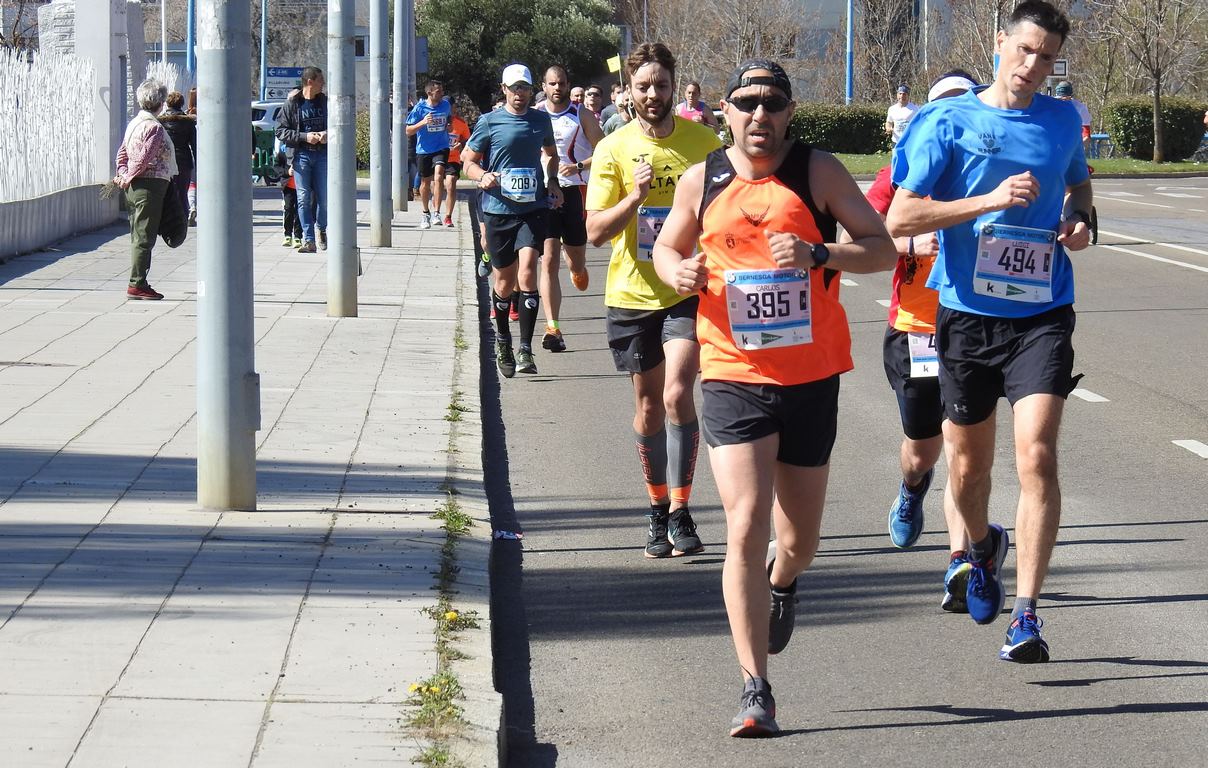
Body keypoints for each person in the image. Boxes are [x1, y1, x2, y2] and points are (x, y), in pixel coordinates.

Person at [653, 58, 895, 737]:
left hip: (811, 377)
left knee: (800, 540)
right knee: (745, 520)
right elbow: (666, 251)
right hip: (732, 371)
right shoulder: (704, 178)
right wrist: (683, 269)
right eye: (746, 102)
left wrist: (820, 256)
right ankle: (755, 687)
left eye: (773, 103)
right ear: (725, 111)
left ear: (790, 111)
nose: (759, 114)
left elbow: (881, 248)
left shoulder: (817, 171)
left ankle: (783, 581)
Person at [885, 0, 1093, 664]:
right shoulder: (945, 120)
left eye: (1049, 58)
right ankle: (981, 550)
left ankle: (1026, 613)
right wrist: (989, 202)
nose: (1034, 66)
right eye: (1026, 50)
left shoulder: (1062, 120)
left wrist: (1081, 222)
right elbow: (902, 216)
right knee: (968, 468)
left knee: (1036, 455)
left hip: (1041, 313)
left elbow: (1081, 190)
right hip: (969, 319)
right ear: (1001, 44)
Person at [585, 42, 720, 560]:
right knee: (647, 405)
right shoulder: (613, 149)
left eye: (661, 85)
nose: (653, 94)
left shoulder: (704, 142)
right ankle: (656, 507)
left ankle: (683, 511)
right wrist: (634, 198)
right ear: (631, 92)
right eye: (643, 86)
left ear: (673, 86)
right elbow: (595, 232)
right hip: (632, 293)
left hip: (686, 289)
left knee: (677, 393)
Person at [865, 71, 980, 613]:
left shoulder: (992, 169)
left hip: (977, 327)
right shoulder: (901, 170)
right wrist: (916, 236)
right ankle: (912, 490)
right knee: (922, 452)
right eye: (945, 107)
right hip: (916, 329)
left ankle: (960, 561)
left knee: (962, 450)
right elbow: (858, 235)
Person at [463, 63, 563, 377]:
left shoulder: (540, 119)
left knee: (529, 269)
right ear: (504, 90)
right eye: (514, 88)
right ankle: (503, 340)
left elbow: (551, 153)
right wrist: (483, 176)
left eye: (524, 88)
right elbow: (468, 161)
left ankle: (525, 349)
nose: (519, 94)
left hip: (532, 209)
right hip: (498, 210)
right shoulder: (489, 122)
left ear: (532, 90)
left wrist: (553, 181)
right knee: (504, 281)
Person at [539, 65, 601, 352]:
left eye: (561, 83)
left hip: (575, 188)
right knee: (548, 258)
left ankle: (577, 266)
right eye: (552, 83)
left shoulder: (581, 114)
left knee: (575, 257)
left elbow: (604, 150)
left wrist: (579, 165)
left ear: (568, 84)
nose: (557, 88)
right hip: (544, 190)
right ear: (544, 85)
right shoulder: (536, 114)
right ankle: (553, 327)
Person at [114, 78, 177, 300]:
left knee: (139, 233)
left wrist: (122, 173)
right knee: (144, 235)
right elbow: (144, 157)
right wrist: (128, 174)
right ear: (160, 102)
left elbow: (122, 152)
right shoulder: (154, 127)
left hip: (135, 186)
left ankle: (139, 281)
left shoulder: (135, 123)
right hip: (149, 185)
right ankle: (137, 283)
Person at [275, 66, 328, 253]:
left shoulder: (325, 102)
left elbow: (338, 125)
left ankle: (321, 227)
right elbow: (280, 131)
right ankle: (308, 239)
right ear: (310, 82)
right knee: (303, 198)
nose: (324, 84)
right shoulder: (292, 104)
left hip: (322, 154)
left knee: (324, 198)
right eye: (321, 80)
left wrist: (326, 134)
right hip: (301, 156)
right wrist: (306, 137)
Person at [407, 80, 454, 229]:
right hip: (424, 149)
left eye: (442, 91)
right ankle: (425, 212)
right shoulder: (419, 108)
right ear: (429, 93)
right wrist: (423, 122)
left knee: (439, 175)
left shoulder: (445, 105)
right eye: (438, 91)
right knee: (425, 182)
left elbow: (448, 120)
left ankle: (436, 212)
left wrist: (448, 126)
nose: (442, 94)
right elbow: (408, 131)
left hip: (441, 146)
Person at [158, 90, 195, 236]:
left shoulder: (160, 121)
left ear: (167, 104)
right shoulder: (188, 122)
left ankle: (166, 222)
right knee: (182, 193)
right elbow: (194, 144)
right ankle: (183, 221)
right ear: (182, 104)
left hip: (165, 162)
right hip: (184, 161)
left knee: (165, 192)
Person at [442, 103, 472, 227]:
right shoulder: (437, 121)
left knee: (451, 183)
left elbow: (468, 140)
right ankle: (435, 211)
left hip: (453, 159)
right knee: (435, 185)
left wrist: (461, 144)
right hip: (436, 156)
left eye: (452, 107)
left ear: (455, 107)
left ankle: (448, 216)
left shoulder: (461, 123)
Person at [1054, 80, 1092, 153]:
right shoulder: (1050, 106)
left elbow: (1087, 136)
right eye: (1060, 98)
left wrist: (1075, 149)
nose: (1063, 100)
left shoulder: (1080, 108)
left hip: (1074, 148)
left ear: (1071, 96)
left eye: (1066, 97)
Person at [186, 86, 199, 226]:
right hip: (203, 155)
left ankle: (191, 207)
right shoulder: (211, 117)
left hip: (186, 155)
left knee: (190, 184)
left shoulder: (186, 117)